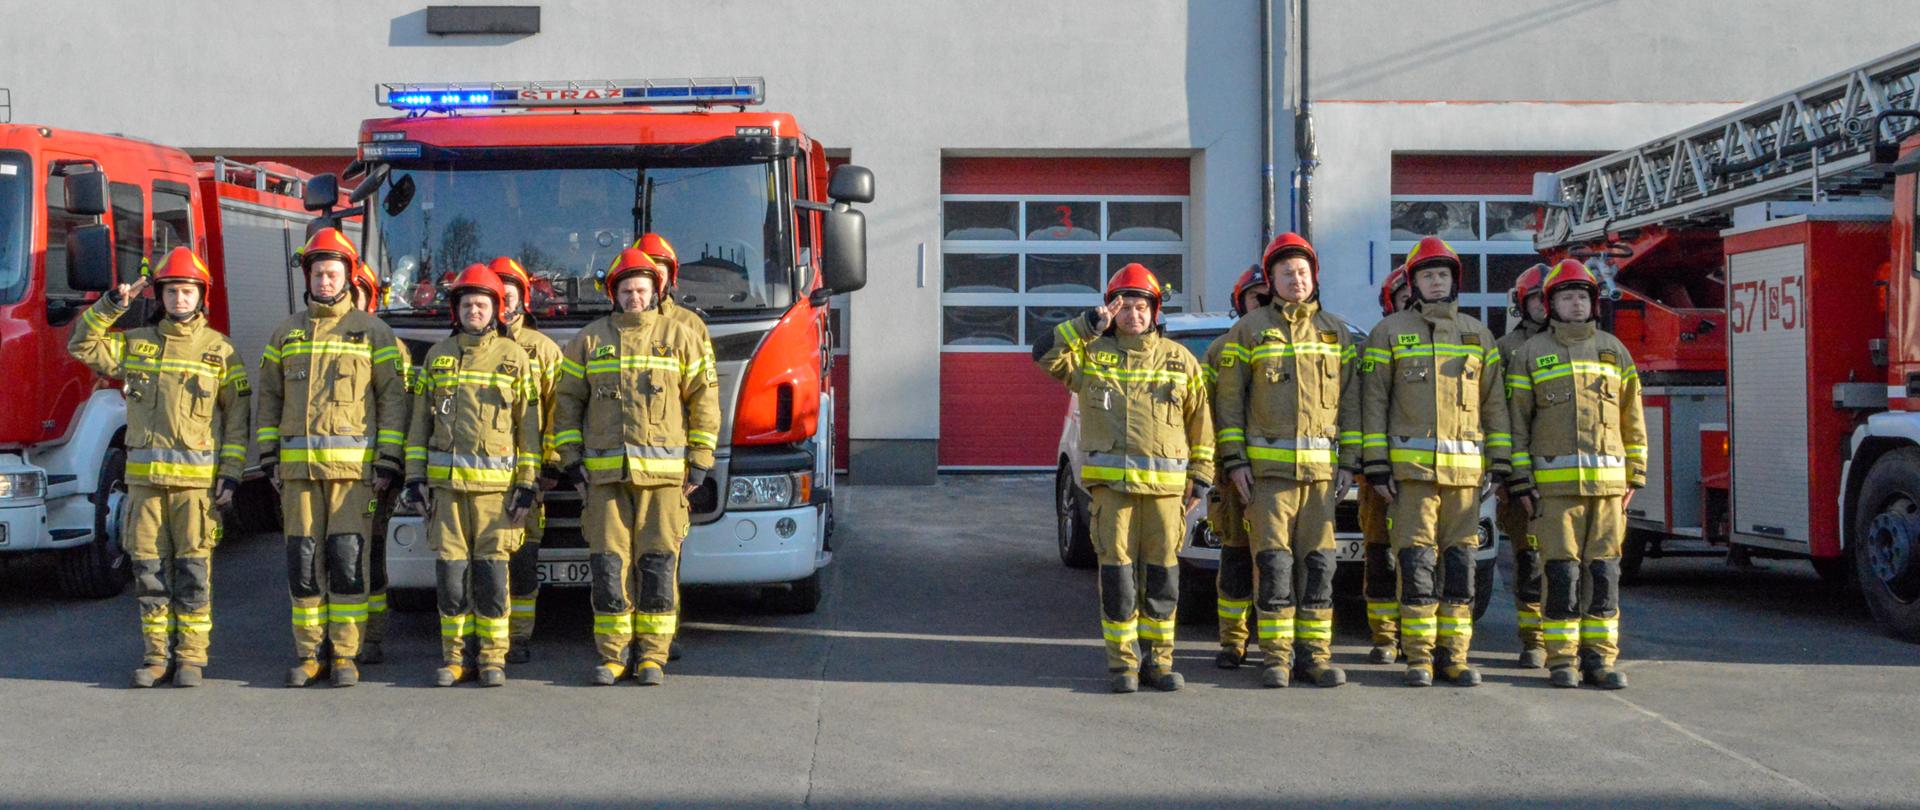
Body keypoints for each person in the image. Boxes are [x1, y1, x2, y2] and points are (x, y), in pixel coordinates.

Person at [69, 248, 249, 688]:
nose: (180, 299)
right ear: (161, 296)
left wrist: (230, 474)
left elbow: (237, 420)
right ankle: (155, 658)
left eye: (187, 291)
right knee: (148, 573)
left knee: (193, 574)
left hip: (195, 491)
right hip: (146, 487)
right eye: (172, 291)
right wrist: (115, 302)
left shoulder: (220, 350)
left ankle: (190, 658)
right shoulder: (137, 344)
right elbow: (82, 344)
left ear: (200, 297)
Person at [1033, 263, 1213, 693]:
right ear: (1112, 311)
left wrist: (1202, 476)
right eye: (1125, 306)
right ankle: (1123, 665)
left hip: (1168, 497)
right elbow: (1043, 354)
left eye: (1142, 306)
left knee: (1164, 580)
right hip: (1112, 495)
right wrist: (1085, 326)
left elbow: (1201, 422)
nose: (1134, 314)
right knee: (1118, 579)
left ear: (1155, 310)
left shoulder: (1180, 360)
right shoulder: (1091, 357)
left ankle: (1160, 662)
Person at [551, 249, 719, 686]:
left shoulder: (681, 336)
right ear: (614, 293)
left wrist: (700, 461)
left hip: (664, 481)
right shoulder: (588, 341)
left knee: (659, 565)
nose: (634, 297)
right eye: (626, 290)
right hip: (604, 480)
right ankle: (613, 655)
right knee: (608, 568)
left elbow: (704, 400)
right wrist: (570, 462)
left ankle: (652, 656)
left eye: (642, 289)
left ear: (656, 290)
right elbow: (566, 405)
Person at [257, 228, 409, 688]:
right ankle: (308, 655)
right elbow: (269, 398)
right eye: (319, 273)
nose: (325, 281)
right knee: (302, 565)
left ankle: (345, 653)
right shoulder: (286, 333)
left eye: (333, 273)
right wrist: (269, 458)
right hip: (298, 476)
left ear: (347, 278)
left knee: (347, 562)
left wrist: (387, 462)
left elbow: (393, 401)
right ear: (309, 277)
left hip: (353, 476)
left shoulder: (373, 333)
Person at [1360, 236, 1510, 687]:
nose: (1436, 281)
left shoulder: (1477, 334)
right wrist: (1377, 465)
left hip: (1465, 480)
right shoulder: (1387, 334)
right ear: (1413, 282)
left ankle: (1455, 656)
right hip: (1411, 480)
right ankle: (1419, 657)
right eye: (1428, 275)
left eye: (1443, 274)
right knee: (1417, 565)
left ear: (1454, 281)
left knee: (1461, 569)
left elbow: (1494, 406)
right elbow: (1373, 405)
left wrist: (1499, 462)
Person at [1214, 233, 1360, 689]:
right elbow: (1230, 403)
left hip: (1320, 478)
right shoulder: (1249, 331)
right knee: (1274, 565)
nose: (1295, 280)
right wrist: (1235, 461)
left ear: (1313, 276)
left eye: (1302, 272)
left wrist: (1350, 461)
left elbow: (1351, 404)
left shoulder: (1336, 332)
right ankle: (1275, 659)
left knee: (1319, 566)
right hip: (1266, 478)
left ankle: (1315, 657)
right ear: (1271, 280)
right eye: (1285, 273)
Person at [1504, 259, 1646, 690]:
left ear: (1593, 303)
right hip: (1553, 493)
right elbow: (1517, 425)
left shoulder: (1614, 351)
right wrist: (1522, 481)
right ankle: (1562, 660)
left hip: (1607, 491)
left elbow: (1632, 419)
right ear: (1551, 306)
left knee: (1603, 575)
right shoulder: (1530, 353)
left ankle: (1600, 660)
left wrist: (1634, 476)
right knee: (1561, 574)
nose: (1576, 304)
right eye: (1567, 297)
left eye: (1582, 296)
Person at [403, 264, 542, 687]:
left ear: (497, 309)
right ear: (456, 310)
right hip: (446, 495)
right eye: (468, 304)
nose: (475, 311)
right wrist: (414, 478)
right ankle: (454, 659)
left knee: (492, 579)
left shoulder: (514, 358)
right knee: (451, 579)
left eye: (483, 304)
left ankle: (492, 659)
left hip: (495, 498)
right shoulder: (437, 357)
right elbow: (418, 426)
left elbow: (529, 429)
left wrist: (527, 484)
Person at [490, 256, 565, 663]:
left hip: (528, 477)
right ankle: (489, 639)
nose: (502, 303)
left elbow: (557, 412)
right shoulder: (462, 350)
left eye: (509, 294)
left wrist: (550, 465)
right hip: (477, 477)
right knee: (484, 562)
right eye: (495, 295)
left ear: (523, 299)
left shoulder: (544, 351)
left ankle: (518, 638)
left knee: (523, 558)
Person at [1208, 265, 1268, 669]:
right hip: (1234, 478)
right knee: (1236, 559)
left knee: (1281, 564)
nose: (1263, 303)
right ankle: (1233, 642)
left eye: (1269, 295)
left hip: (1288, 476)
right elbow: (1207, 417)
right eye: (1255, 298)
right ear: (1239, 303)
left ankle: (1279, 643)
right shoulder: (1219, 350)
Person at [1496, 263, 1551, 669]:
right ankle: (1534, 640)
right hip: (1522, 478)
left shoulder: (1597, 345)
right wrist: (1504, 475)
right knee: (1529, 561)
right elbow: (1497, 416)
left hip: (1572, 479)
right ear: (1522, 302)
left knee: (1572, 565)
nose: (1547, 306)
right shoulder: (1505, 350)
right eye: (1538, 298)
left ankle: (1570, 639)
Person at [1361, 263, 1411, 663]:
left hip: (1433, 475)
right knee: (1380, 556)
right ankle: (1384, 637)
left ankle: (1419, 639)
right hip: (1380, 475)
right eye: (1406, 300)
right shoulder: (1375, 345)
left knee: (1423, 562)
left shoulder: (1456, 342)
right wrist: (1374, 466)